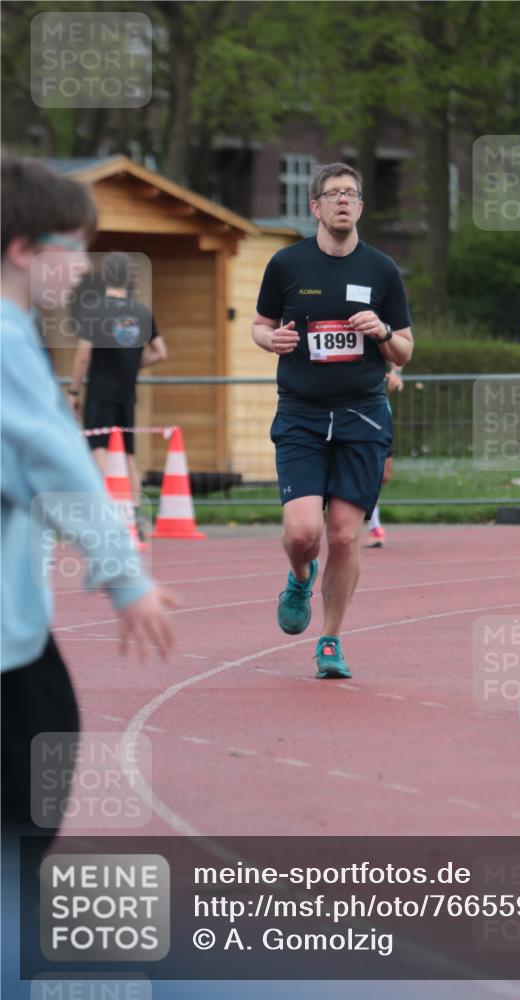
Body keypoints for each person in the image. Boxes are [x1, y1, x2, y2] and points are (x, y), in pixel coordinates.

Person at [1, 156, 176, 849]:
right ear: (24, 250)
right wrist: (125, 577)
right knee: (36, 771)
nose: (82, 267)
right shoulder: (9, 339)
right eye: (75, 248)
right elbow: (59, 465)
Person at [252, 162, 413, 678]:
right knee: (304, 533)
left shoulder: (383, 270)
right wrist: (269, 339)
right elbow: (259, 325)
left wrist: (384, 331)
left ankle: (330, 640)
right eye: (332, 193)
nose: (343, 200)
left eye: (352, 193)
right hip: (301, 413)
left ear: (360, 207)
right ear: (315, 206)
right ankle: (300, 577)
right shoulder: (286, 264)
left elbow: (406, 351)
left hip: (362, 417)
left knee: (344, 535)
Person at [68, 251, 168, 529]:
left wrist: (73, 392)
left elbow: (83, 355)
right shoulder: (141, 312)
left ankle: (107, 508)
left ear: (104, 277)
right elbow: (161, 352)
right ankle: (134, 512)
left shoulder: (94, 309)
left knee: (98, 449)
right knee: (128, 455)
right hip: (127, 394)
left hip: (99, 392)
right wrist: (135, 365)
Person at [367, 363, 404, 548]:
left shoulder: (378, 336)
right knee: (369, 473)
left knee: (384, 475)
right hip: (357, 417)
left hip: (381, 416)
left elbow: (399, 353)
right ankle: (375, 526)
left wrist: (396, 374)